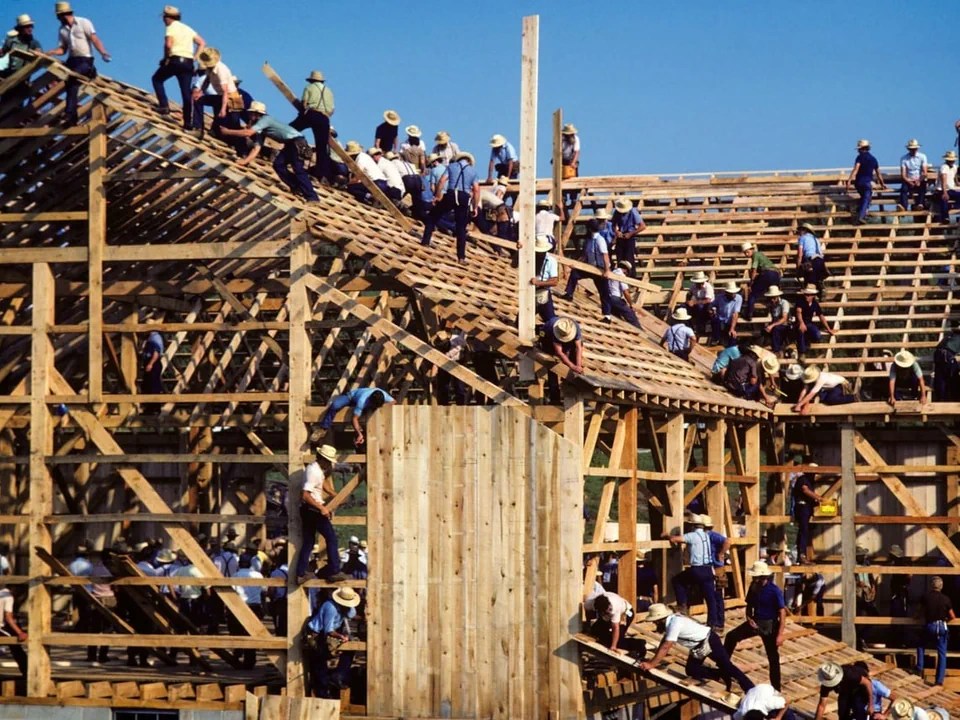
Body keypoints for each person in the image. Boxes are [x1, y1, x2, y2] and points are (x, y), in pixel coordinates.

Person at [639, 603, 753, 694]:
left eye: (654, 622)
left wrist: (651, 664)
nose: (654, 624)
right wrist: (652, 661)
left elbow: (666, 647)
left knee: (728, 666)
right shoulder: (671, 622)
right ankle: (720, 674)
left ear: (660, 620)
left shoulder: (674, 623)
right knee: (692, 670)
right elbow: (664, 641)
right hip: (698, 647)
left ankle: (750, 688)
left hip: (709, 641)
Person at [220, 101, 318, 202]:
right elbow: (256, 148)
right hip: (290, 144)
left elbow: (248, 133)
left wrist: (228, 132)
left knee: (298, 169)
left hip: (296, 142)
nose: (249, 115)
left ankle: (312, 197)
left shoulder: (266, 119)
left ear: (257, 113)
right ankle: (296, 186)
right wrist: (244, 162)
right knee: (278, 164)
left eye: (251, 113)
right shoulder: (261, 129)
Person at [724, 561, 786, 690]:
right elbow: (749, 606)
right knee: (731, 637)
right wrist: (749, 618)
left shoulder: (774, 591)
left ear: (763, 577)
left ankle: (776, 688)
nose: (754, 579)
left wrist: (780, 634)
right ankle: (723, 668)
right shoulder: (753, 587)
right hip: (755, 622)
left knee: (773, 658)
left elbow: (782, 612)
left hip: (770, 625)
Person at [47, 2, 110, 127]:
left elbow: (94, 39)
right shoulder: (62, 30)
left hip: (85, 60)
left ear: (63, 15)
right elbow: (63, 49)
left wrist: (103, 53)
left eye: (58, 17)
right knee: (70, 84)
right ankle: (71, 118)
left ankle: (70, 114)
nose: (58, 19)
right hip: (72, 60)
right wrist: (52, 52)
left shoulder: (83, 22)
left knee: (73, 78)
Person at [294, 445, 348, 585]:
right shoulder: (314, 472)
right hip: (313, 510)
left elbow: (321, 484)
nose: (330, 464)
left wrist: (334, 494)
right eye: (329, 461)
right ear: (323, 459)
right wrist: (322, 508)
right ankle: (334, 570)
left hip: (308, 509)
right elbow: (305, 494)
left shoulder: (316, 470)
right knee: (331, 538)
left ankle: (301, 573)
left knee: (309, 541)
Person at [421, 151, 480, 264]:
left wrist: (438, 196)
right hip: (464, 196)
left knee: (433, 216)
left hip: (451, 194)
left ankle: (425, 241)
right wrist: (475, 207)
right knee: (461, 227)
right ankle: (461, 257)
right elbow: (477, 190)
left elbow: (442, 181)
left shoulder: (451, 167)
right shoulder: (473, 172)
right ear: (469, 161)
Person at [151, 6, 204, 129]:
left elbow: (168, 45)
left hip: (175, 60)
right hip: (188, 63)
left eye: (164, 18)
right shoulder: (187, 28)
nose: (163, 21)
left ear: (167, 18)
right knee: (186, 93)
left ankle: (164, 106)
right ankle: (187, 122)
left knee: (157, 79)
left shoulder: (171, 27)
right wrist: (194, 57)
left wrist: (165, 58)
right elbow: (202, 42)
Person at [665, 515, 721, 629]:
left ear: (692, 525)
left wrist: (668, 535)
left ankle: (682, 605)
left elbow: (675, 539)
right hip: (708, 569)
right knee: (710, 599)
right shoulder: (706, 536)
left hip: (697, 569)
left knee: (678, 580)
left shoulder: (692, 536)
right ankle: (713, 623)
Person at [306, 586, 360, 698]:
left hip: (329, 632)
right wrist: (341, 636)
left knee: (351, 648)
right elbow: (328, 630)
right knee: (320, 664)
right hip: (317, 634)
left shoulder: (345, 608)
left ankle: (338, 675)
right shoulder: (330, 607)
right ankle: (323, 693)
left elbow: (351, 614)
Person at [559, 219, 612, 320]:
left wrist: (607, 271)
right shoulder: (589, 240)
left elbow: (605, 256)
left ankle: (607, 316)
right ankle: (569, 294)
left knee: (604, 292)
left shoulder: (600, 240)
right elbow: (584, 255)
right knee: (575, 273)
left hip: (600, 269)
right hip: (590, 267)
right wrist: (577, 264)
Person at [290, 70, 334, 182]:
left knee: (290, 129)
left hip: (312, 113)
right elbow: (332, 109)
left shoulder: (309, 88)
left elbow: (304, 103)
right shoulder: (329, 91)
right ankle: (322, 174)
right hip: (324, 118)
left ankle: (283, 151)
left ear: (311, 80)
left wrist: (302, 114)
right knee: (322, 147)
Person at [191, 48, 240, 140]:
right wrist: (200, 92)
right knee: (198, 100)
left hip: (231, 98)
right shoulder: (209, 69)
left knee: (234, 126)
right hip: (221, 97)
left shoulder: (221, 70)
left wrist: (223, 109)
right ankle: (198, 128)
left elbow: (226, 92)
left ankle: (243, 149)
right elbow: (207, 81)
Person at [319, 386, 394, 444]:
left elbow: (393, 402)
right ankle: (324, 427)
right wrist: (359, 433)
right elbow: (354, 419)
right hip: (351, 397)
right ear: (370, 401)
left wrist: (383, 407)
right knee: (335, 405)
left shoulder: (384, 395)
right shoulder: (362, 401)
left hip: (363, 403)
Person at [918, 576, 954, 686]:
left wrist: (915, 617)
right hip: (942, 627)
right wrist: (946, 620)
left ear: (931, 585)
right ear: (941, 586)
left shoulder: (926, 597)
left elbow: (919, 612)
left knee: (920, 645)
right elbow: (952, 616)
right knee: (942, 653)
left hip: (930, 625)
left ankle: (919, 668)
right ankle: (939, 681)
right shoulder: (946, 599)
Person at [539, 316, 584, 403]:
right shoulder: (553, 330)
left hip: (562, 340)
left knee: (572, 357)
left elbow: (579, 348)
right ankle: (555, 399)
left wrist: (578, 365)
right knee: (552, 365)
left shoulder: (574, 327)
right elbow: (559, 352)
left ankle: (571, 389)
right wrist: (572, 366)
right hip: (546, 338)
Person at [0, 15, 42, 107]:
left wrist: (37, 53)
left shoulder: (33, 43)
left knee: (16, 102)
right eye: (27, 27)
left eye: (31, 26)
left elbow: (40, 55)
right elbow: (2, 52)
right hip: (11, 73)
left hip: (23, 76)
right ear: (20, 28)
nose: (30, 29)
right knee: (5, 99)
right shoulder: (11, 41)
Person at [845, 139, 886, 225]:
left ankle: (859, 210)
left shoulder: (860, 157)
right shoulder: (873, 159)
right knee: (866, 199)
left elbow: (856, 169)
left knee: (865, 198)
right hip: (867, 183)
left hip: (858, 183)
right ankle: (861, 215)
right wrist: (882, 184)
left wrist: (849, 180)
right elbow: (878, 173)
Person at [702, 515, 730, 630]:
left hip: (716, 568)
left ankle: (717, 622)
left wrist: (721, 553)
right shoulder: (708, 536)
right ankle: (717, 622)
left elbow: (727, 541)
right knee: (716, 596)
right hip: (714, 567)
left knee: (716, 596)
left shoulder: (712, 536)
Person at [742, 242, 781, 321]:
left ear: (752, 250)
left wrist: (751, 282)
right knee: (773, 293)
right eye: (745, 252)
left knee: (752, 294)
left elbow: (754, 269)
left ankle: (749, 314)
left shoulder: (755, 255)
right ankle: (777, 312)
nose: (746, 254)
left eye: (747, 252)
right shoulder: (760, 254)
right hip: (776, 274)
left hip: (768, 274)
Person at [791, 463, 822, 562]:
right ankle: (802, 554)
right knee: (804, 530)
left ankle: (801, 555)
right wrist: (819, 498)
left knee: (806, 530)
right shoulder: (803, 479)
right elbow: (805, 490)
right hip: (802, 506)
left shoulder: (809, 480)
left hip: (807, 507)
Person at [795, 284, 836, 356]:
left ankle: (808, 341)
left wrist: (828, 329)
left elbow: (821, 316)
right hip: (799, 322)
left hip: (809, 323)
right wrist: (801, 323)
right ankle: (802, 352)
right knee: (801, 330)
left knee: (817, 335)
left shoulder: (815, 304)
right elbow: (798, 312)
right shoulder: (800, 301)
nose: (807, 296)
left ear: (813, 295)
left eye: (809, 295)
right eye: (806, 294)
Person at [0, 566, 26, 677]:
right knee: (16, 646)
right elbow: (8, 617)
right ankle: (26, 671)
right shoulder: (8, 596)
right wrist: (20, 632)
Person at [611, 198, 646, 276]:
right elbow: (613, 224)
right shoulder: (617, 212)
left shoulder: (633, 211)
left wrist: (631, 233)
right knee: (620, 259)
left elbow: (642, 226)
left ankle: (631, 278)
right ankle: (621, 278)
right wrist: (617, 232)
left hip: (630, 237)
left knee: (629, 259)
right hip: (621, 236)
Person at [389, 150, 426, 221]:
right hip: (417, 179)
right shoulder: (408, 163)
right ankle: (421, 217)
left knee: (400, 198)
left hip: (407, 179)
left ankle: (401, 210)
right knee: (417, 202)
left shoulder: (392, 163)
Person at [530, 235, 559, 322]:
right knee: (521, 321)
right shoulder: (531, 257)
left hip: (543, 293)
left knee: (550, 321)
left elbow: (554, 281)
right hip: (531, 293)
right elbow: (514, 264)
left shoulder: (551, 261)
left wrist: (538, 283)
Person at [607, 261, 642, 328]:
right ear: (626, 270)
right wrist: (631, 304)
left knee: (617, 317)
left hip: (608, 299)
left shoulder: (612, 272)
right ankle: (640, 331)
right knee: (631, 315)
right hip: (615, 299)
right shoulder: (621, 275)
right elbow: (626, 292)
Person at [796, 223, 829, 291]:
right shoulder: (816, 239)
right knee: (818, 281)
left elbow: (800, 254)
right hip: (820, 261)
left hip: (811, 260)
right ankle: (821, 290)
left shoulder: (802, 238)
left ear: (804, 230)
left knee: (809, 281)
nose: (799, 232)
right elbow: (821, 253)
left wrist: (798, 265)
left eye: (800, 230)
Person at [899, 139, 929, 211]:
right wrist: (909, 181)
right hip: (909, 179)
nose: (913, 150)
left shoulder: (923, 157)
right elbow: (903, 174)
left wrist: (919, 180)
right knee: (903, 189)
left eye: (914, 149)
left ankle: (920, 204)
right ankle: (904, 206)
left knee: (923, 187)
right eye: (911, 149)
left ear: (917, 149)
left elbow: (925, 172)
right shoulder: (904, 159)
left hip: (919, 179)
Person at [711, 281, 742, 347]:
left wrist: (732, 328)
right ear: (727, 293)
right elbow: (712, 305)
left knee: (732, 335)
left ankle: (731, 348)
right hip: (721, 318)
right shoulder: (720, 297)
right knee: (715, 319)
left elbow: (735, 314)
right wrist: (711, 310)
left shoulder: (738, 298)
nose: (733, 294)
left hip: (731, 320)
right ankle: (716, 339)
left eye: (734, 293)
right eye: (731, 293)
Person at [140, 322, 164, 410]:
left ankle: (154, 408)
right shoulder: (150, 337)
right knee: (148, 384)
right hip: (151, 361)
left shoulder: (155, 337)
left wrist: (151, 363)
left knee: (153, 385)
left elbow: (156, 352)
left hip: (153, 362)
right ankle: (150, 408)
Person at [933, 325, 960, 401]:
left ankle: (941, 399)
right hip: (947, 357)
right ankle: (953, 400)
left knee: (941, 379)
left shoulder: (949, 337)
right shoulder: (954, 338)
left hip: (938, 355)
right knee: (953, 379)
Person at [762, 286, 791, 353]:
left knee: (776, 329)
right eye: (771, 298)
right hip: (776, 325)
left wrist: (772, 325)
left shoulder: (784, 303)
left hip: (785, 325)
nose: (772, 300)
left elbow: (784, 318)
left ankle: (776, 350)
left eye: (774, 297)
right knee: (763, 331)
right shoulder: (771, 305)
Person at [267, 542, 288, 635]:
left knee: (280, 626)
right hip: (293, 601)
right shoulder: (297, 572)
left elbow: (271, 590)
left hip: (280, 602)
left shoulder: (276, 572)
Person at [937, 151, 960, 225]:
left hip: (951, 188)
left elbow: (955, 176)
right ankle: (945, 217)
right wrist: (944, 192)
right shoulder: (944, 167)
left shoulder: (954, 167)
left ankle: (953, 207)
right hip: (942, 189)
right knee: (944, 199)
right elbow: (944, 180)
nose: (951, 161)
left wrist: (957, 183)